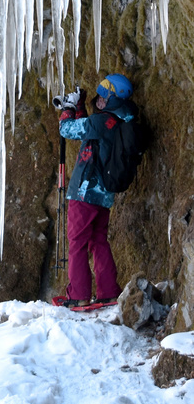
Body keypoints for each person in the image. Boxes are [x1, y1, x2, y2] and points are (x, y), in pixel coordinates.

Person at [58, 73, 138, 307]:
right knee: (98, 241)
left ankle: (79, 295)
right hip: (104, 195)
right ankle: (109, 291)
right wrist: (80, 106)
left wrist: (68, 109)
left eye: (104, 97)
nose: (99, 100)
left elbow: (68, 130)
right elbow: (90, 131)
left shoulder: (101, 122)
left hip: (84, 192)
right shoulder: (120, 120)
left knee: (77, 243)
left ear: (112, 99)